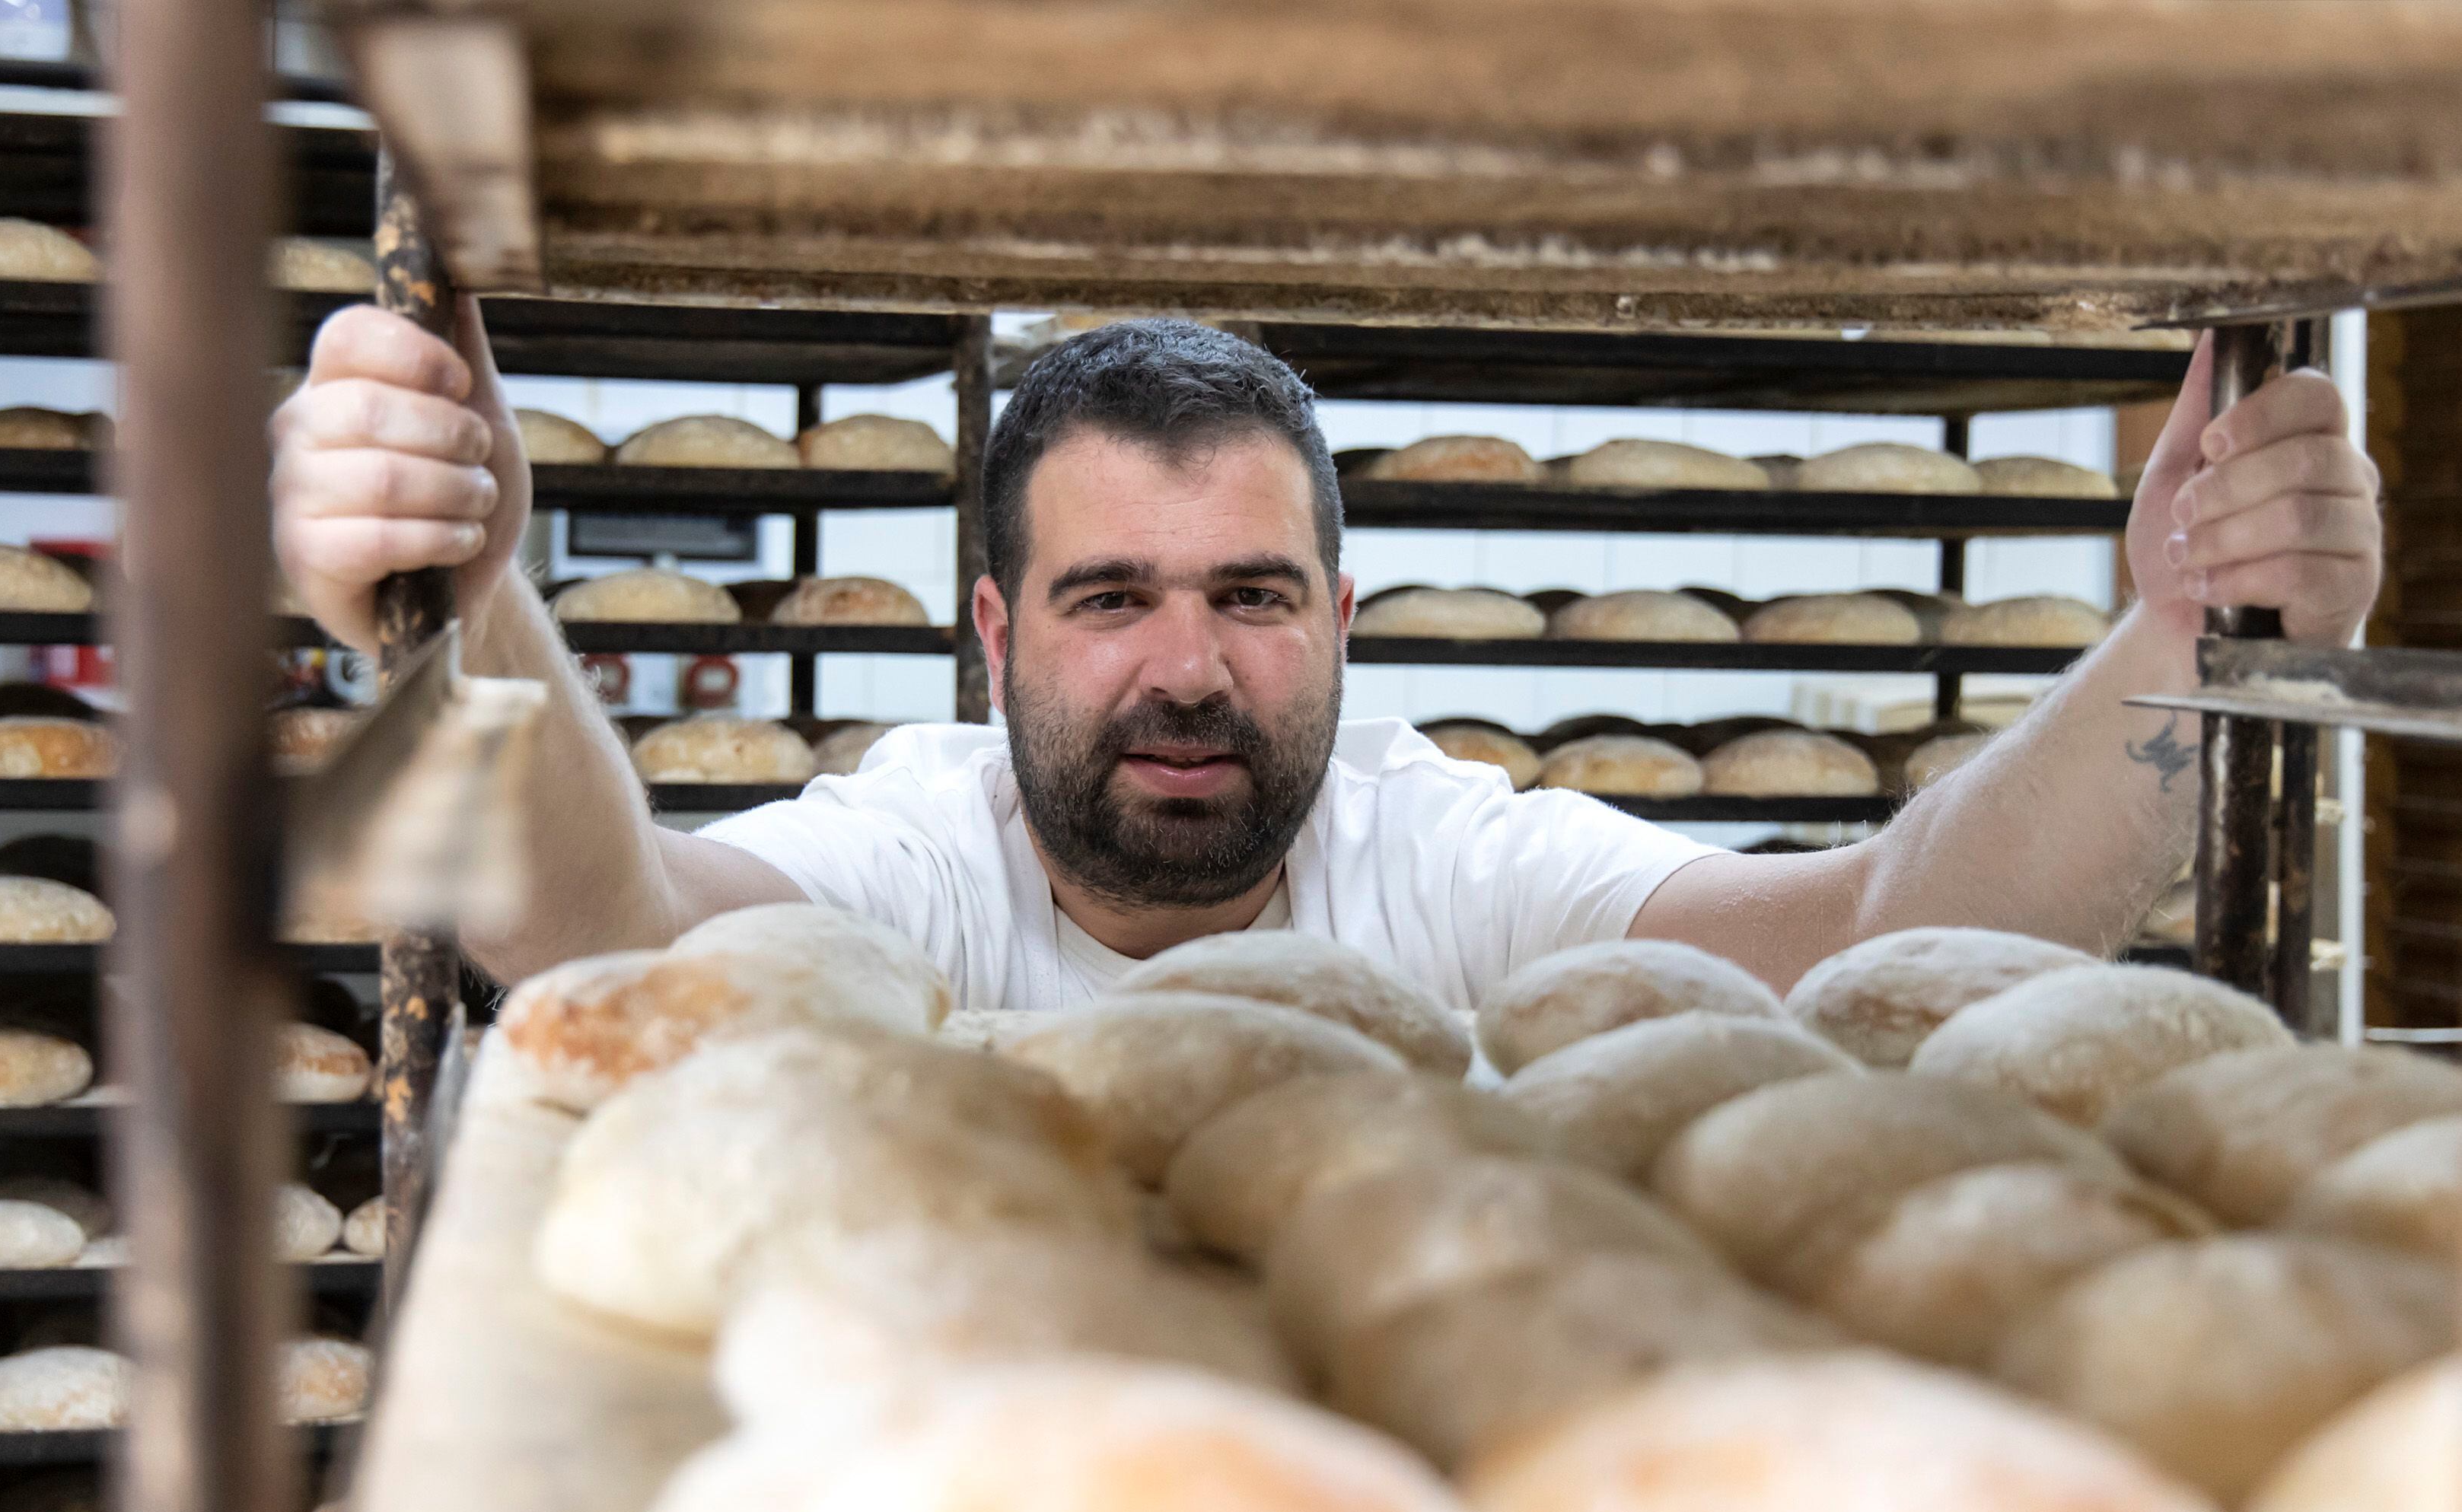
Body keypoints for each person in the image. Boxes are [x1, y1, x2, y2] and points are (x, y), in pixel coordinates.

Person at [270, 305, 2381, 1007]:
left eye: (1253, 598)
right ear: (995, 636)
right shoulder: (921, 866)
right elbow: (601, 938)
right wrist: (465, 598)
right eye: (1112, 600)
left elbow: (1875, 946)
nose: (1188, 666)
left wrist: (2187, 633)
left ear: (1343, 629)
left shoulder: (1436, 861)